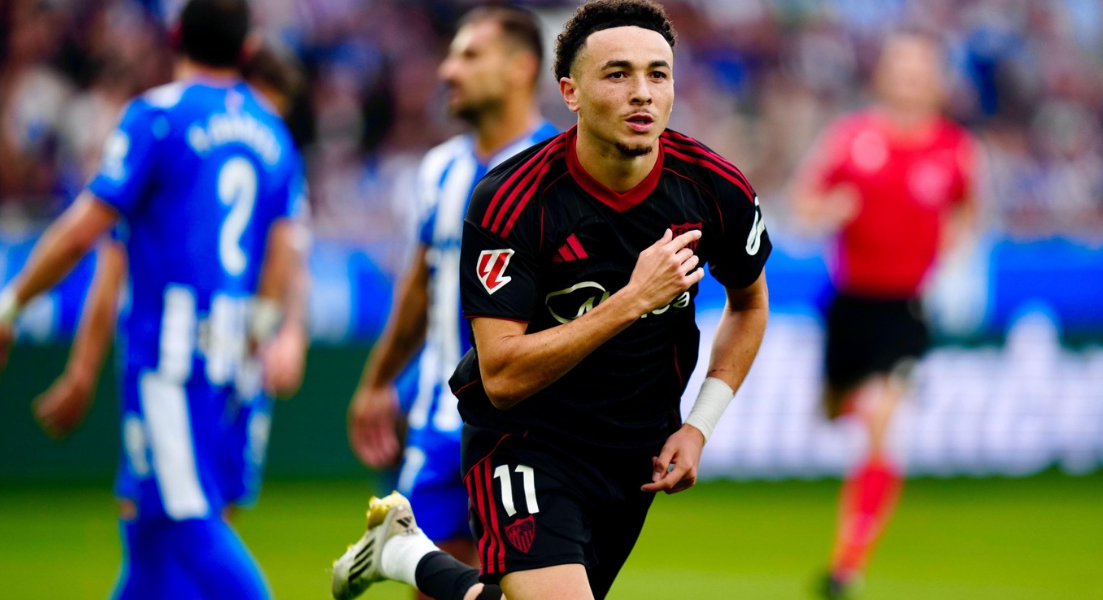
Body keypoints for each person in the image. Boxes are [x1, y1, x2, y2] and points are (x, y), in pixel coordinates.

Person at [330, 2, 771, 600]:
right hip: (526, 438)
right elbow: (503, 375)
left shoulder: (715, 188)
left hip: (633, 453)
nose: (642, 93)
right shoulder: (510, 200)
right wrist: (632, 299)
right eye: (617, 74)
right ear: (571, 91)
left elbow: (748, 303)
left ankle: (407, 555)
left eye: (657, 74)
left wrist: (699, 426)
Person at [0, 1, 305, 598]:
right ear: (246, 52)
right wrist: (266, 326)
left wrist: (12, 302)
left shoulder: (157, 116)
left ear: (173, 36)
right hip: (228, 353)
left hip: (168, 356)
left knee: (191, 522)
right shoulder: (272, 132)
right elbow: (284, 248)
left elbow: (88, 227)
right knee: (148, 533)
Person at [346, 7, 557, 598]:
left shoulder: (560, 171)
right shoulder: (437, 170)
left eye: (469, 55)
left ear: (520, 68)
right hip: (441, 424)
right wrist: (377, 381)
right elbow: (419, 288)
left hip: (529, 432)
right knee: (430, 583)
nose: (447, 70)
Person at [791, 30, 977, 599]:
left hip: (905, 310)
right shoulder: (851, 139)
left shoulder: (954, 149)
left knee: (880, 423)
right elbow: (803, 207)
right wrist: (830, 211)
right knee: (834, 412)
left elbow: (966, 209)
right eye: (901, 68)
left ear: (936, 81)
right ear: (884, 77)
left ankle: (846, 564)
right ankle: (843, 397)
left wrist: (951, 249)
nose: (910, 80)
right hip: (850, 306)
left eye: (921, 70)